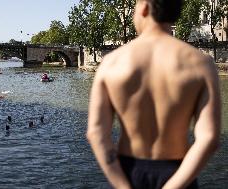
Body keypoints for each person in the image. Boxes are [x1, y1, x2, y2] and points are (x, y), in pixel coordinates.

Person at [87, 0, 221, 189]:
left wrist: (122, 186)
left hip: (128, 172)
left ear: (144, 7)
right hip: (179, 174)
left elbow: (97, 133)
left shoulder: (111, 63)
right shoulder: (201, 64)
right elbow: (209, 138)